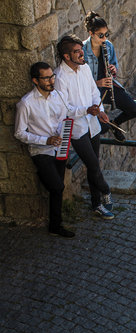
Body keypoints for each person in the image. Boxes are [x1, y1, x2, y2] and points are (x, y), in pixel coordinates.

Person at [55, 34, 115, 220]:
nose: (82, 54)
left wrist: (101, 110)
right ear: (66, 56)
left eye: (81, 50)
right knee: (93, 163)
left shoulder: (85, 68)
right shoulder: (59, 77)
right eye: (77, 52)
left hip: (93, 125)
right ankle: (105, 189)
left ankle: (96, 204)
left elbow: (94, 93)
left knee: (93, 165)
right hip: (77, 129)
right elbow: (65, 110)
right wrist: (87, 110)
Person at [14, 62, 75, 237]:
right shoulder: (26, 103)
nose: (51, 81)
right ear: (35, 80)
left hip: (60, 148)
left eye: (52, 76)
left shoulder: (59, 96)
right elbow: (19, 133)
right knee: (56, 187)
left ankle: (55, 225)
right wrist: (45, 140)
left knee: (58, 188)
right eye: (46, 78)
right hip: (40, 151)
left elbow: (66, 116)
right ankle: (55, 223)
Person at [82, 11, 136, 142]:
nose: (104, 39)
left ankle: (115, 124)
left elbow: (114, 66)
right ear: (91, 33)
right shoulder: (82, 50)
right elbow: (80, 80)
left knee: (134, 110)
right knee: (102, 128)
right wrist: (97, 83)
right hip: (91, 92)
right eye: (100, 35)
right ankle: (105, 129)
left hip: (108, 87)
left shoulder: (108, 46)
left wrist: (113, 69)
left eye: (106, 35)